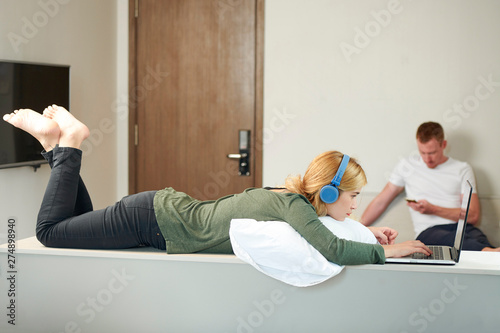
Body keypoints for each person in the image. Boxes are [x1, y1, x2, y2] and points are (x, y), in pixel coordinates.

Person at [3, 105, 432, 265]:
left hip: (155, 212)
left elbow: (326, 230)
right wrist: (387, 250)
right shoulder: (297, 208)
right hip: (149, 222)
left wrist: (365, 230)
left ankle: (51, 144)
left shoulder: (292, 199)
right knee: (50, 234)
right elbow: (331, 247)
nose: (357, 203)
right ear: (331, 193)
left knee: (72, 221)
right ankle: (71, 143)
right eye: (354, 196)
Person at [361, 121, 499, 252]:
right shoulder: (407, 166)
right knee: (456, 242)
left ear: (443, 145)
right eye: (422, 153)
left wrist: (433, 209)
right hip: (430, 231)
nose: (427, 159)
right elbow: (381, 201)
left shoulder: (462, 169)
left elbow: (473, 216)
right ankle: (489, 253)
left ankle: (489, 252)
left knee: (477, 240)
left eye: (432, 153)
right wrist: (357, 227)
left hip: (464, 228)